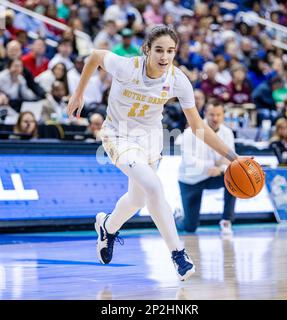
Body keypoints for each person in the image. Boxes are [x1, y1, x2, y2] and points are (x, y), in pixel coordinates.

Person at [67, 25, 238, 281]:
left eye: (170, 51)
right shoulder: (127, 67)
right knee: (154, 188)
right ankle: (178, 253)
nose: (165, 57)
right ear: (147, 49)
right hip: (118, 135)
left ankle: (107, 227)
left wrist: (233, 158)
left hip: (151, 140)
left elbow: (198, 126)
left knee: (137, 200)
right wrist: (78, 94)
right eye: (159, 50)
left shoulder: (178, 79)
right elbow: (94, 56)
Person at [176, 99, 236, 234]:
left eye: (219, 115)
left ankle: (226, 221)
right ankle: (178, 216)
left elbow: (229, 159)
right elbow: (189, 162)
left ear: (223, 115)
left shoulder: (227, 133)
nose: (215, 118)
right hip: (191, 179)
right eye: (212, 114)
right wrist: (214, 165)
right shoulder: (190, 132)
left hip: (214, 175)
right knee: (190, 227)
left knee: (234, 179)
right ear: (205, 114)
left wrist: (220, 169)